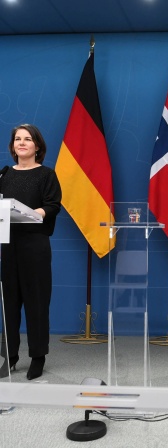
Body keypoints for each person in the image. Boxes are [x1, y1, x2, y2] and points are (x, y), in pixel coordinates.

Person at [0, 124, 62, 380]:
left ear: (38, 146)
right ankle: (9, 356)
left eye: (27, 139)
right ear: (12, 146)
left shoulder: (46, 175)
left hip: (34, 245)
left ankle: (38, 356)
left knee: (36, 302)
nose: (22, 143)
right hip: (7, 246)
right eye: (17, 139)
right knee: (9, 303)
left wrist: (34, 213)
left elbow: (52, 205)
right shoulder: (4, 175)